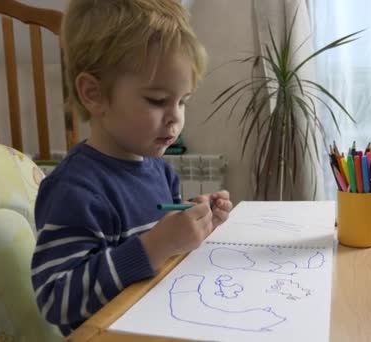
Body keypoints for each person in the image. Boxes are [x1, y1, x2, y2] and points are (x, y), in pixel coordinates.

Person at [31, 0, 233, 336]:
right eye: (157, 100)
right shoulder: (75, 190)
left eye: (183, 101)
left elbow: (166, 252)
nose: (176, 117)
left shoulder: (161, 172)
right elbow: (56, 299)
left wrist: (197, 224)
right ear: (94, 94)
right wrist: (154, 246)